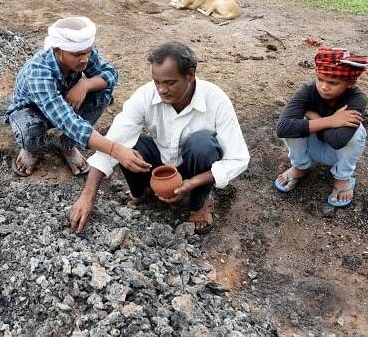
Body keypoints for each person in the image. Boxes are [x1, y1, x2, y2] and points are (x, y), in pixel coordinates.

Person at [69, 41, 250, 234]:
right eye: (157, 82)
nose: (162, 90)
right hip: (160, 163)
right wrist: (87, 196)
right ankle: (143, 191)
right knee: (126, 145)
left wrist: (194, 182)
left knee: (202, 145)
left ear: (190, 75)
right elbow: (112, 142)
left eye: (170, 82)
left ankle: (199, 204)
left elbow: (238, 158)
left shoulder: (216, 99)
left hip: (195, 169)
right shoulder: (146, 95)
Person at [7, 16, 147, 176]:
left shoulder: (82, 52)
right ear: (58, 51)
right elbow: (66, 119)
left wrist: (85, 84)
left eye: (87, 52)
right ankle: (31, 149)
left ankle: (66, 144)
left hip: (63, 103)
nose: (85, 59)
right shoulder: (38, 72)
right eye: (78, 55)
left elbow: (111, 74)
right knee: (33, 131)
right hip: (32, 110)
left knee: (102, 91)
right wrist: (115, 150)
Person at [275, 47, 368, 207]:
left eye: (333, 82)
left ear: (349, 83)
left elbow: (338, 141)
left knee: (357, 131)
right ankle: (300, 166)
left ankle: (342, 177)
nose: (324, 87)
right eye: (320, 79)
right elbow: (282, 129)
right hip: (311, 149)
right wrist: (331, 120)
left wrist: (316, 118)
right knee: (292, 123)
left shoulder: (356, 98)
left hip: (337, 154)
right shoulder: (307, 90)